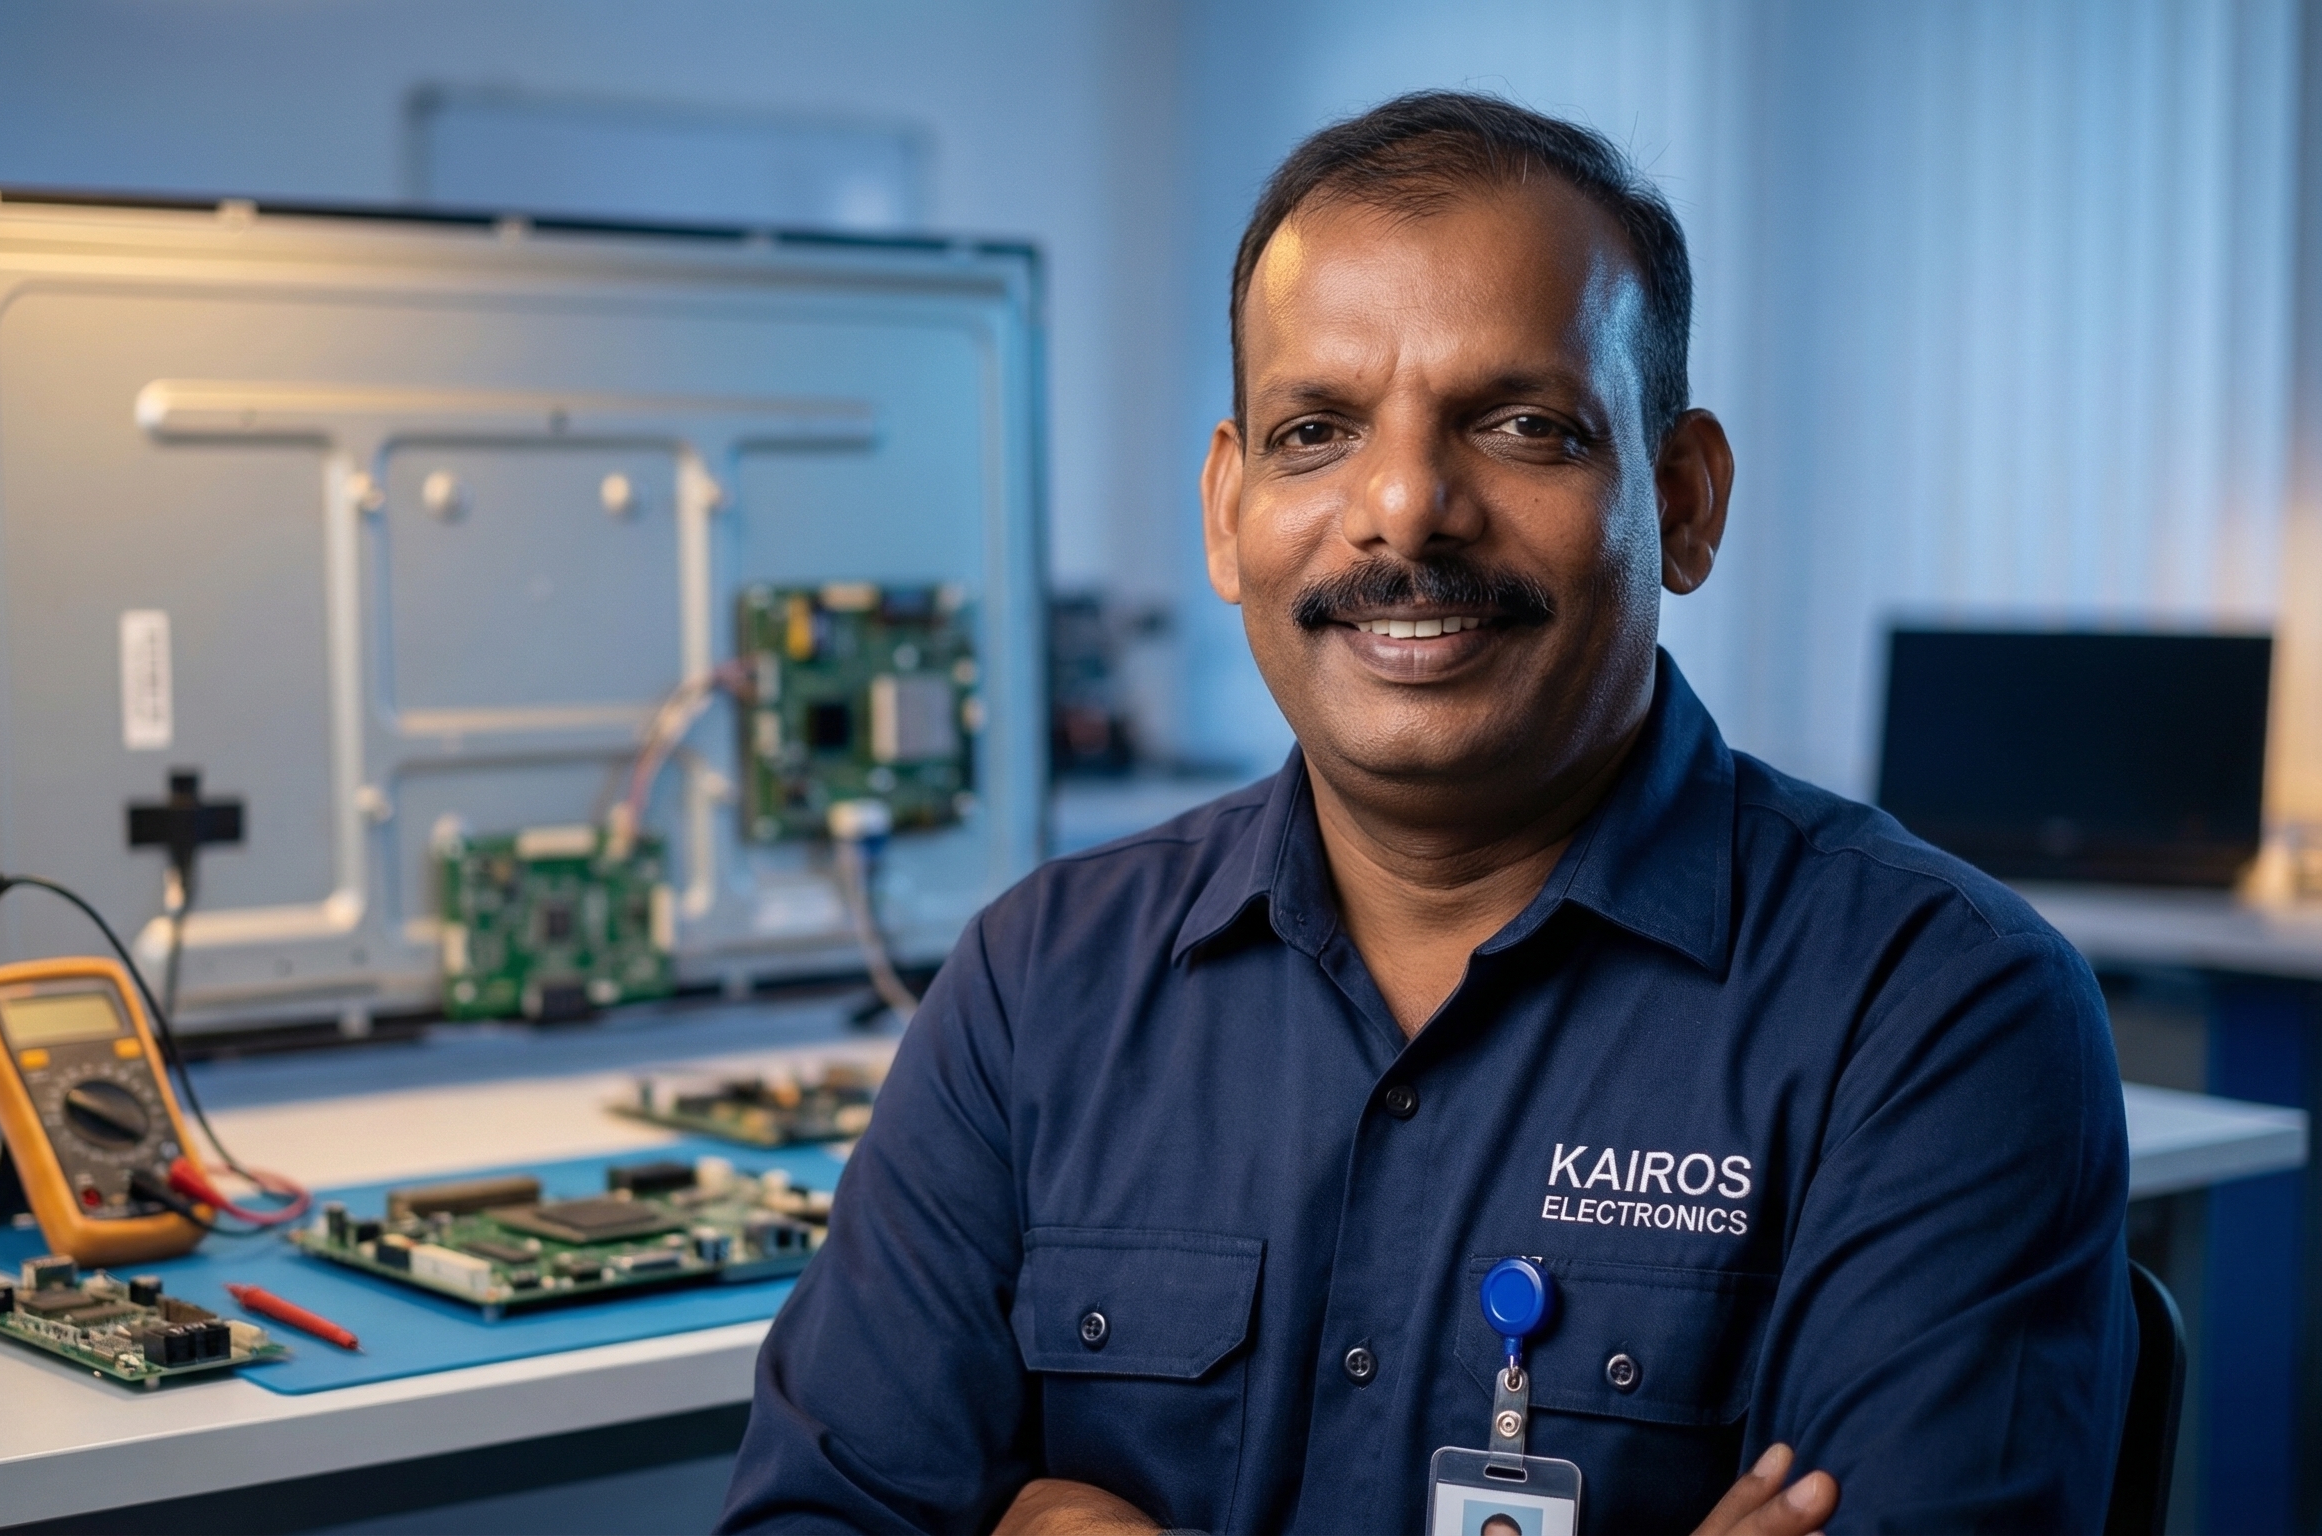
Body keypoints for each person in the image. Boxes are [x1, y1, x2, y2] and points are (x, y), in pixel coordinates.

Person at [719, 90, 2134, 1535]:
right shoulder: (1041, 983)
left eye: (1523, 425)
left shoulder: (1939, 1013)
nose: (1404, 507)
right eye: (1316, 431)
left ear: (1684, 501)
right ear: (1227, 510)